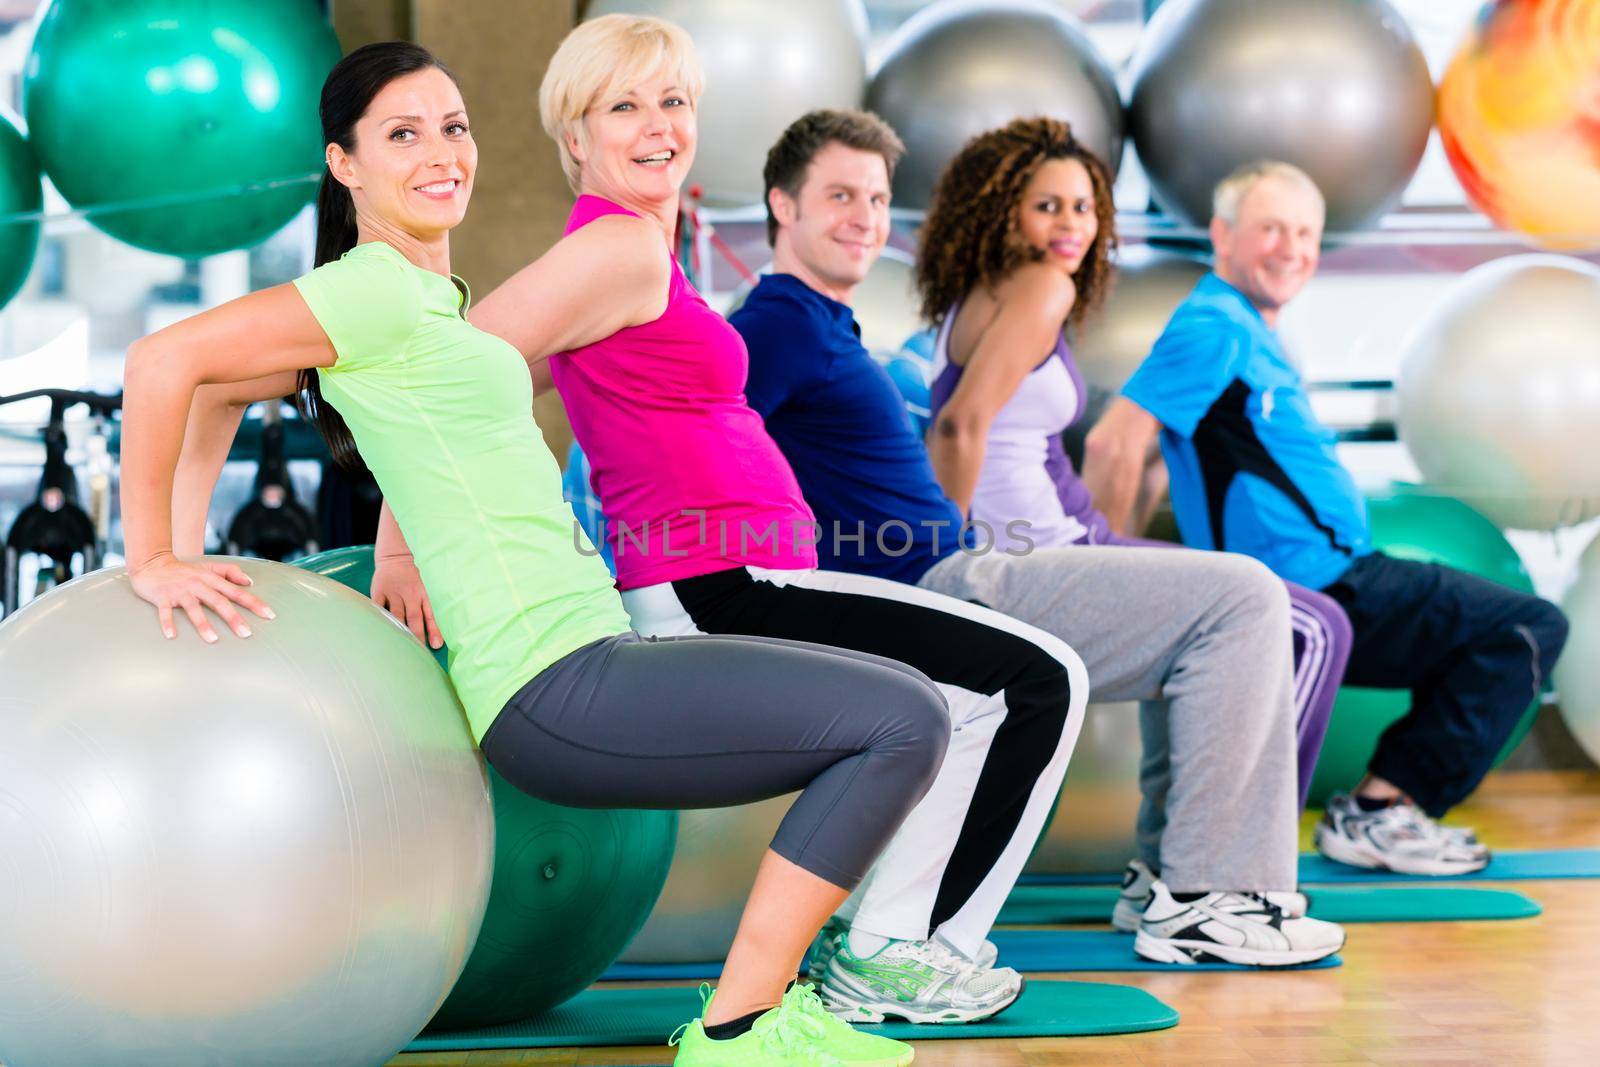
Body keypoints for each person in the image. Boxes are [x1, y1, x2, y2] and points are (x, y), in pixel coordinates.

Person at [118, 41, 948, 1067]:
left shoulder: (430, 303)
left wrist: (313, 542)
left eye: (454, 127)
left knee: (895, 709)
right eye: (402, 135)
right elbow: (166, 362)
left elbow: (217, 392)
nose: (441, 153)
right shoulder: (371, 290)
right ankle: (742, 1026)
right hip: (554, 682)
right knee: (901, 717)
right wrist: (155, 557)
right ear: (345, 165)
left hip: (589, 651)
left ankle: (758, 1015)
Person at [472, 15, 1089, 1025]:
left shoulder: (643, 257)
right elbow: (460, 371)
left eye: (672, 101)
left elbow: (514, 376)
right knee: (1035, 680)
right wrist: (409, 536)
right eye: (623, 105)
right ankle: (895, 951)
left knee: (993, 693)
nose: (659, 124)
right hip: (720, 587)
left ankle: (892, 940)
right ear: (574, 137)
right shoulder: (618, 246)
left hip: (746, 580)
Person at [732, 110, 1345, 968]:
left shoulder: (828, 324)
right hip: (953, 575)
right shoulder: (782, 323)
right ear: (781, 206)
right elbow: (700, 432)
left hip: (952, 567)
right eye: (841, 195)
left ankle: (1187, 881)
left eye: (875, 197)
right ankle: (1209, 893)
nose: (866, 215)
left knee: (1227, 609)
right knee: (1252, 597)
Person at [1083, 159, 1570, 876]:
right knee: (1526, 627)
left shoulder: (1248, 329)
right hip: (1315, 586)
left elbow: (1166, 455)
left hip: (1338, 574)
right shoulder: (1214, 324)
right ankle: (1379, 811)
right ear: (1222, 234)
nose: (1290, 247)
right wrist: (1106, 579)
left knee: (1486, 639)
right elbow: (1114, 440)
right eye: (1270, 228)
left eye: (1305, 232)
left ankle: (1381, 807)